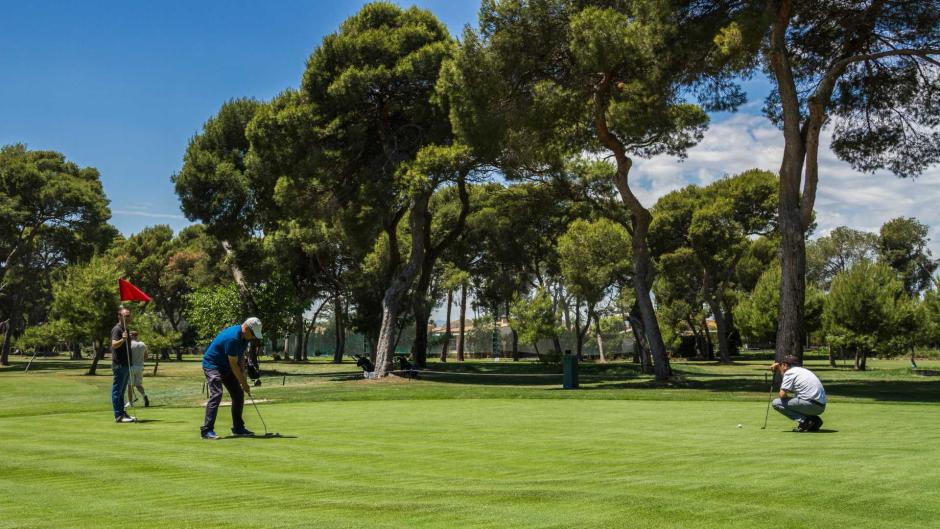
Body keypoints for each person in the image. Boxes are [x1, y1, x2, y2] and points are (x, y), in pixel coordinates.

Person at [200, 317, 262, 440]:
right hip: (212, 365)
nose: (254, 337)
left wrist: (243, 378)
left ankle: (238, 428)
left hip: (225, 366)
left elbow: (240, 360)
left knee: (238, 394)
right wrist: (243, 383)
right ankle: (207, 430)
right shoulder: (233, 338)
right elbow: (233, 365)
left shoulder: (244, 338)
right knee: (217, 393)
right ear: (246, 328)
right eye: (253, 334)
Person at [771, 354, 827, 432]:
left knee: (776, 403)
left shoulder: (789, 372)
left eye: (782, 364)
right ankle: (815, 420)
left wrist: (778, 369)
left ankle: (805, 421)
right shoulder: (802, 371)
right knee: (797, 399)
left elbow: (782, 395)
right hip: (820, 407)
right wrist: (780, 369)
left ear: (785, 365)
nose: (781, 366)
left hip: (810, 405)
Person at [110, 307, 136, 423]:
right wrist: (123, 339)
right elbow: (114, 344)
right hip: (119, 365)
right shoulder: (117, 329)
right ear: (119, 316)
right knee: (117, 391)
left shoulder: (125, 328)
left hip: (126, 365)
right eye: (126, 316)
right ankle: (118, 415)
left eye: (129, 315)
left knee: (122, 391)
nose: (128, 318)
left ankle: (122, 413)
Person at [125, 331, 149, 408]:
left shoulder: (129, 344)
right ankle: (144, 395)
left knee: (129, 385)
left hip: (132, 367)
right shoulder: (143, 344)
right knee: (138, 384)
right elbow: (146, 356)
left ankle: (130, 402)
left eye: (130, 335)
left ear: (132, 336)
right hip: (140, 367)